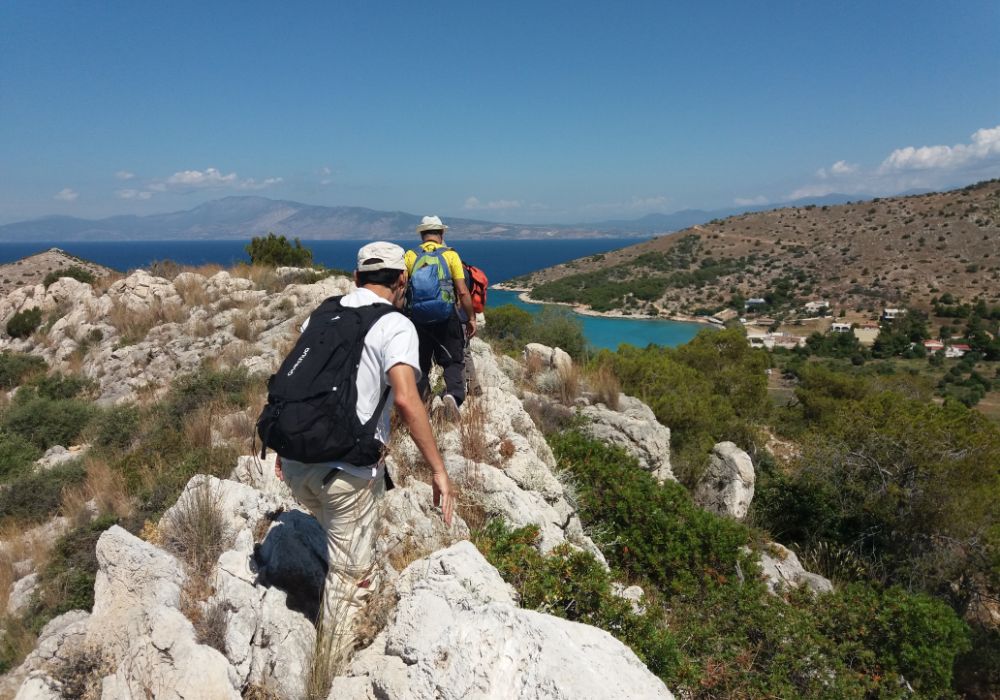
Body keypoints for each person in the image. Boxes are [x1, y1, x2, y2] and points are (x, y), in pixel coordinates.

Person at [274, 241, 454, 650]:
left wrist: (288, 448)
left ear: (356, 278)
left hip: (297, 464)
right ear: (402, 280)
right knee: (349, 581)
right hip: (346, 474)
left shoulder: (322, 314)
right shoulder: (396, 325)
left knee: (334, 540)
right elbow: (407, 399)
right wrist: (439, 471)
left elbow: (296, 382)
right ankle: (331, 673)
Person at [404, 215, 476, 417]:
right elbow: (462, 291)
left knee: (420, 364)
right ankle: (452, 396)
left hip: (418, 319)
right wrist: (471, 318)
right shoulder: (450, 255)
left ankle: (422, 405)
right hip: (447, 318)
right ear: (442, 234)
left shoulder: (410, 256)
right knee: (453, 361)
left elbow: (401, 289)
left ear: (421, 235)